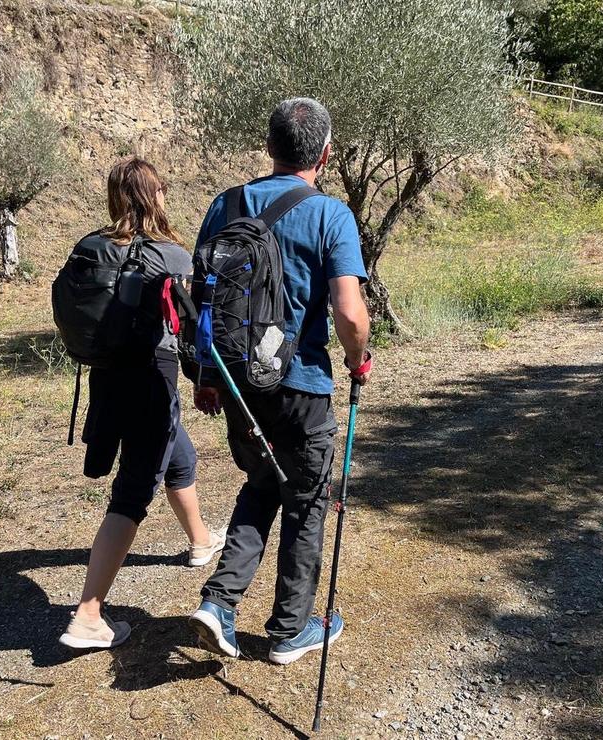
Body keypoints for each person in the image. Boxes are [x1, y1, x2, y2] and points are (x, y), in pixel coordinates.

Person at [189, 98, 372, 665]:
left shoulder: (227, 205)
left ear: (269, 148)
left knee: (262, 485)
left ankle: (219, 604)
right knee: (307, 499)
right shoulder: (331, 215)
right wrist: (358, 359)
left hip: (239, 383)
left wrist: (206, 375)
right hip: (301, 386)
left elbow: (201, 298)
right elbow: (349, 312)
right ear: (326, 152)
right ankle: (291, 632)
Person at [59, 156, 226, 651]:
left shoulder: (89, 247)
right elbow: (198, 325)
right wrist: (207, 379)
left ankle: (200, 540)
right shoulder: (168, 255)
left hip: (106, 377)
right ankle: (88, 614)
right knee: (134, 489)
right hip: (152, 379)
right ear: (155, 196)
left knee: (180, 456)